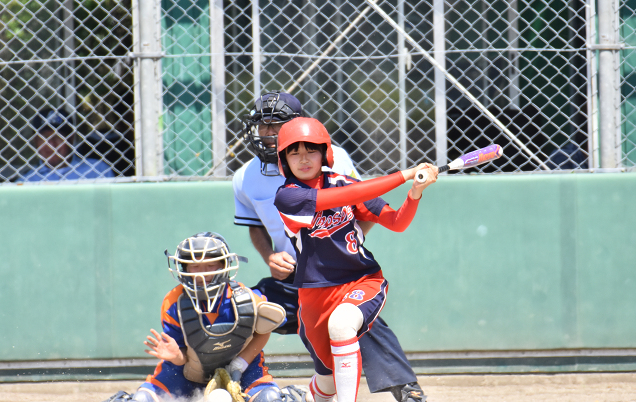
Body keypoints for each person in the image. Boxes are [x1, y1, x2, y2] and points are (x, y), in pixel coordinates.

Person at [233, 91, 427, 402]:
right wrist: (269, 256)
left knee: (348, 321)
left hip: (350, 275)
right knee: (244, 306)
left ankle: (401, 385)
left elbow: (361, 204)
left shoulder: (339, 169)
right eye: (264, 126)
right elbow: (257, 227)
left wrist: (412, 193)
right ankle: (232, 371)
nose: (269, 133)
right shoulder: (252, 180)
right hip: (299, 278)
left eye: (276, 125)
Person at [273, 117, 438, 402]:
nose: (303, 158)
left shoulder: (341, 182)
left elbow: (397, 222)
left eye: (310, 150)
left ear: (325, 152)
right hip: (314, 292)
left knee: (341, 324)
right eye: (294, 152)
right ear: (284, 159)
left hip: (360, 280)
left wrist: (415, 193)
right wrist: (405, 174)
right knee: (327, 381)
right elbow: (349, 194)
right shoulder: (288, 196)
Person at [104, 232, 304, 402]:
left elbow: (264, 332)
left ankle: (290, 394)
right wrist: (176, 357)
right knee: (141, 399)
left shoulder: (247, 299)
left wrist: (239, 364)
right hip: (186, 371)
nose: (202, 274)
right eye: (195, 267)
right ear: (185, 269)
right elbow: (182, 357)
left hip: (243, 369)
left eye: (210, 266)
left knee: (270, 399)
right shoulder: (174, 303)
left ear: (224, 265)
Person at [18, 108, 113, 182]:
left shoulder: (97, 170)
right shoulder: (26, 181)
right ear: (35, 141)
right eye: (45, 138)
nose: (51, 144)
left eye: (58, 137)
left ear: (71, 139)